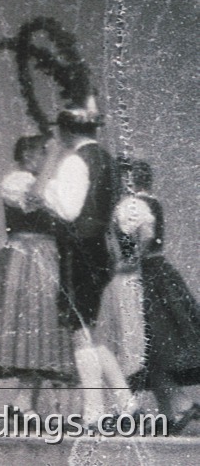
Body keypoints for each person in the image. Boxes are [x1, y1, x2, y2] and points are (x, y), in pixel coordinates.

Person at [0, 134, 75, 415]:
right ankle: (26, 404)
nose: (43, 159)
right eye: (40, 153)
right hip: (25, 257)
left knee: (44, 325)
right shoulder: (16, 181)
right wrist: (52, 159)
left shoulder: (47, 183)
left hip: (47, 256)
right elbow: (32, 199)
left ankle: (25, 404)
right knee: (32, 321)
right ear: (28, 155)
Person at [41, 97, 129, 419]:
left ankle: (95, 412)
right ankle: (125, 402)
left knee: (80, 330)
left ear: (66, 131)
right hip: (100, 249)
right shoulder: (107, 159)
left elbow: (68, 209)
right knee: (91, 331)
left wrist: (50, 188)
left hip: (79, 251)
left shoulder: (75, 161)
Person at [116, 160, 200, 431]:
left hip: (147, 275)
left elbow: (147, 234)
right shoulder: (152, 202)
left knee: (150, 346)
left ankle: (180, 405)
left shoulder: (134, 204)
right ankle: (172, 411)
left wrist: (132, 260)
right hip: (161, 272)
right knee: (154, 349)